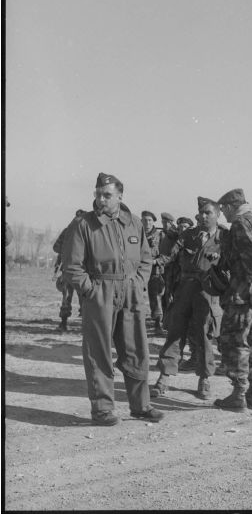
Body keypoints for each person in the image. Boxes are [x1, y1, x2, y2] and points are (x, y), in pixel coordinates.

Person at [63, 172, 163, 425]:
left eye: (106, 195)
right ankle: (102, 410)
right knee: (99, 353)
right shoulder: (83, 224)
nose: (100, 199)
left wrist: (138, 282)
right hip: (100, 292)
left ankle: (141, 406)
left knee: (136, 349)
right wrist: (91, 291)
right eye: (97, 194)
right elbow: (72, 266)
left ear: (120, 196)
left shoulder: (134, 223)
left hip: (130, 291)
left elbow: (146, 258)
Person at [151, 197, 226, 400]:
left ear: (218, 214)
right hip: (184, 289)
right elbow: (171, 255)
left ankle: (204, 379)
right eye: (200, 212)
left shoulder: (225, 238)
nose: (202, 216)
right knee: (175, 332)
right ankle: (164, 377)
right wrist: (154, 261)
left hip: (208, 293)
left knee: (203, 335)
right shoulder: (188, 235)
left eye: (207, 212)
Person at [212, 188, 252, 411]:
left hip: (243, 291)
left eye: (223, 210)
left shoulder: (240, 223)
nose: (223, 215)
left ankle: (238, 395)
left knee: (236, 340)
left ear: (229, 207)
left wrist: (249, 277)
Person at [53, 209, 87, 331]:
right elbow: (56, 247)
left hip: (78, 271)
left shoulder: (83, 233)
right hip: (73, 271)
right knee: (72, 297)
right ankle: (64, 323)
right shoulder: (69, 232)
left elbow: (56, 248)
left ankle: (70, 324)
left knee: (80, 297)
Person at [141, 211, 166, 335]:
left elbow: (166, 255)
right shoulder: (137, 234)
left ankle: (157, 324)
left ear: (153, 221)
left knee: (155, 298)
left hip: (154, 272)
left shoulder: (160, 236)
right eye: (144, 220)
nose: (147, 223)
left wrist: (156, 261)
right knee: (136, 297)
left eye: (149, 220)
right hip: (139, 271)